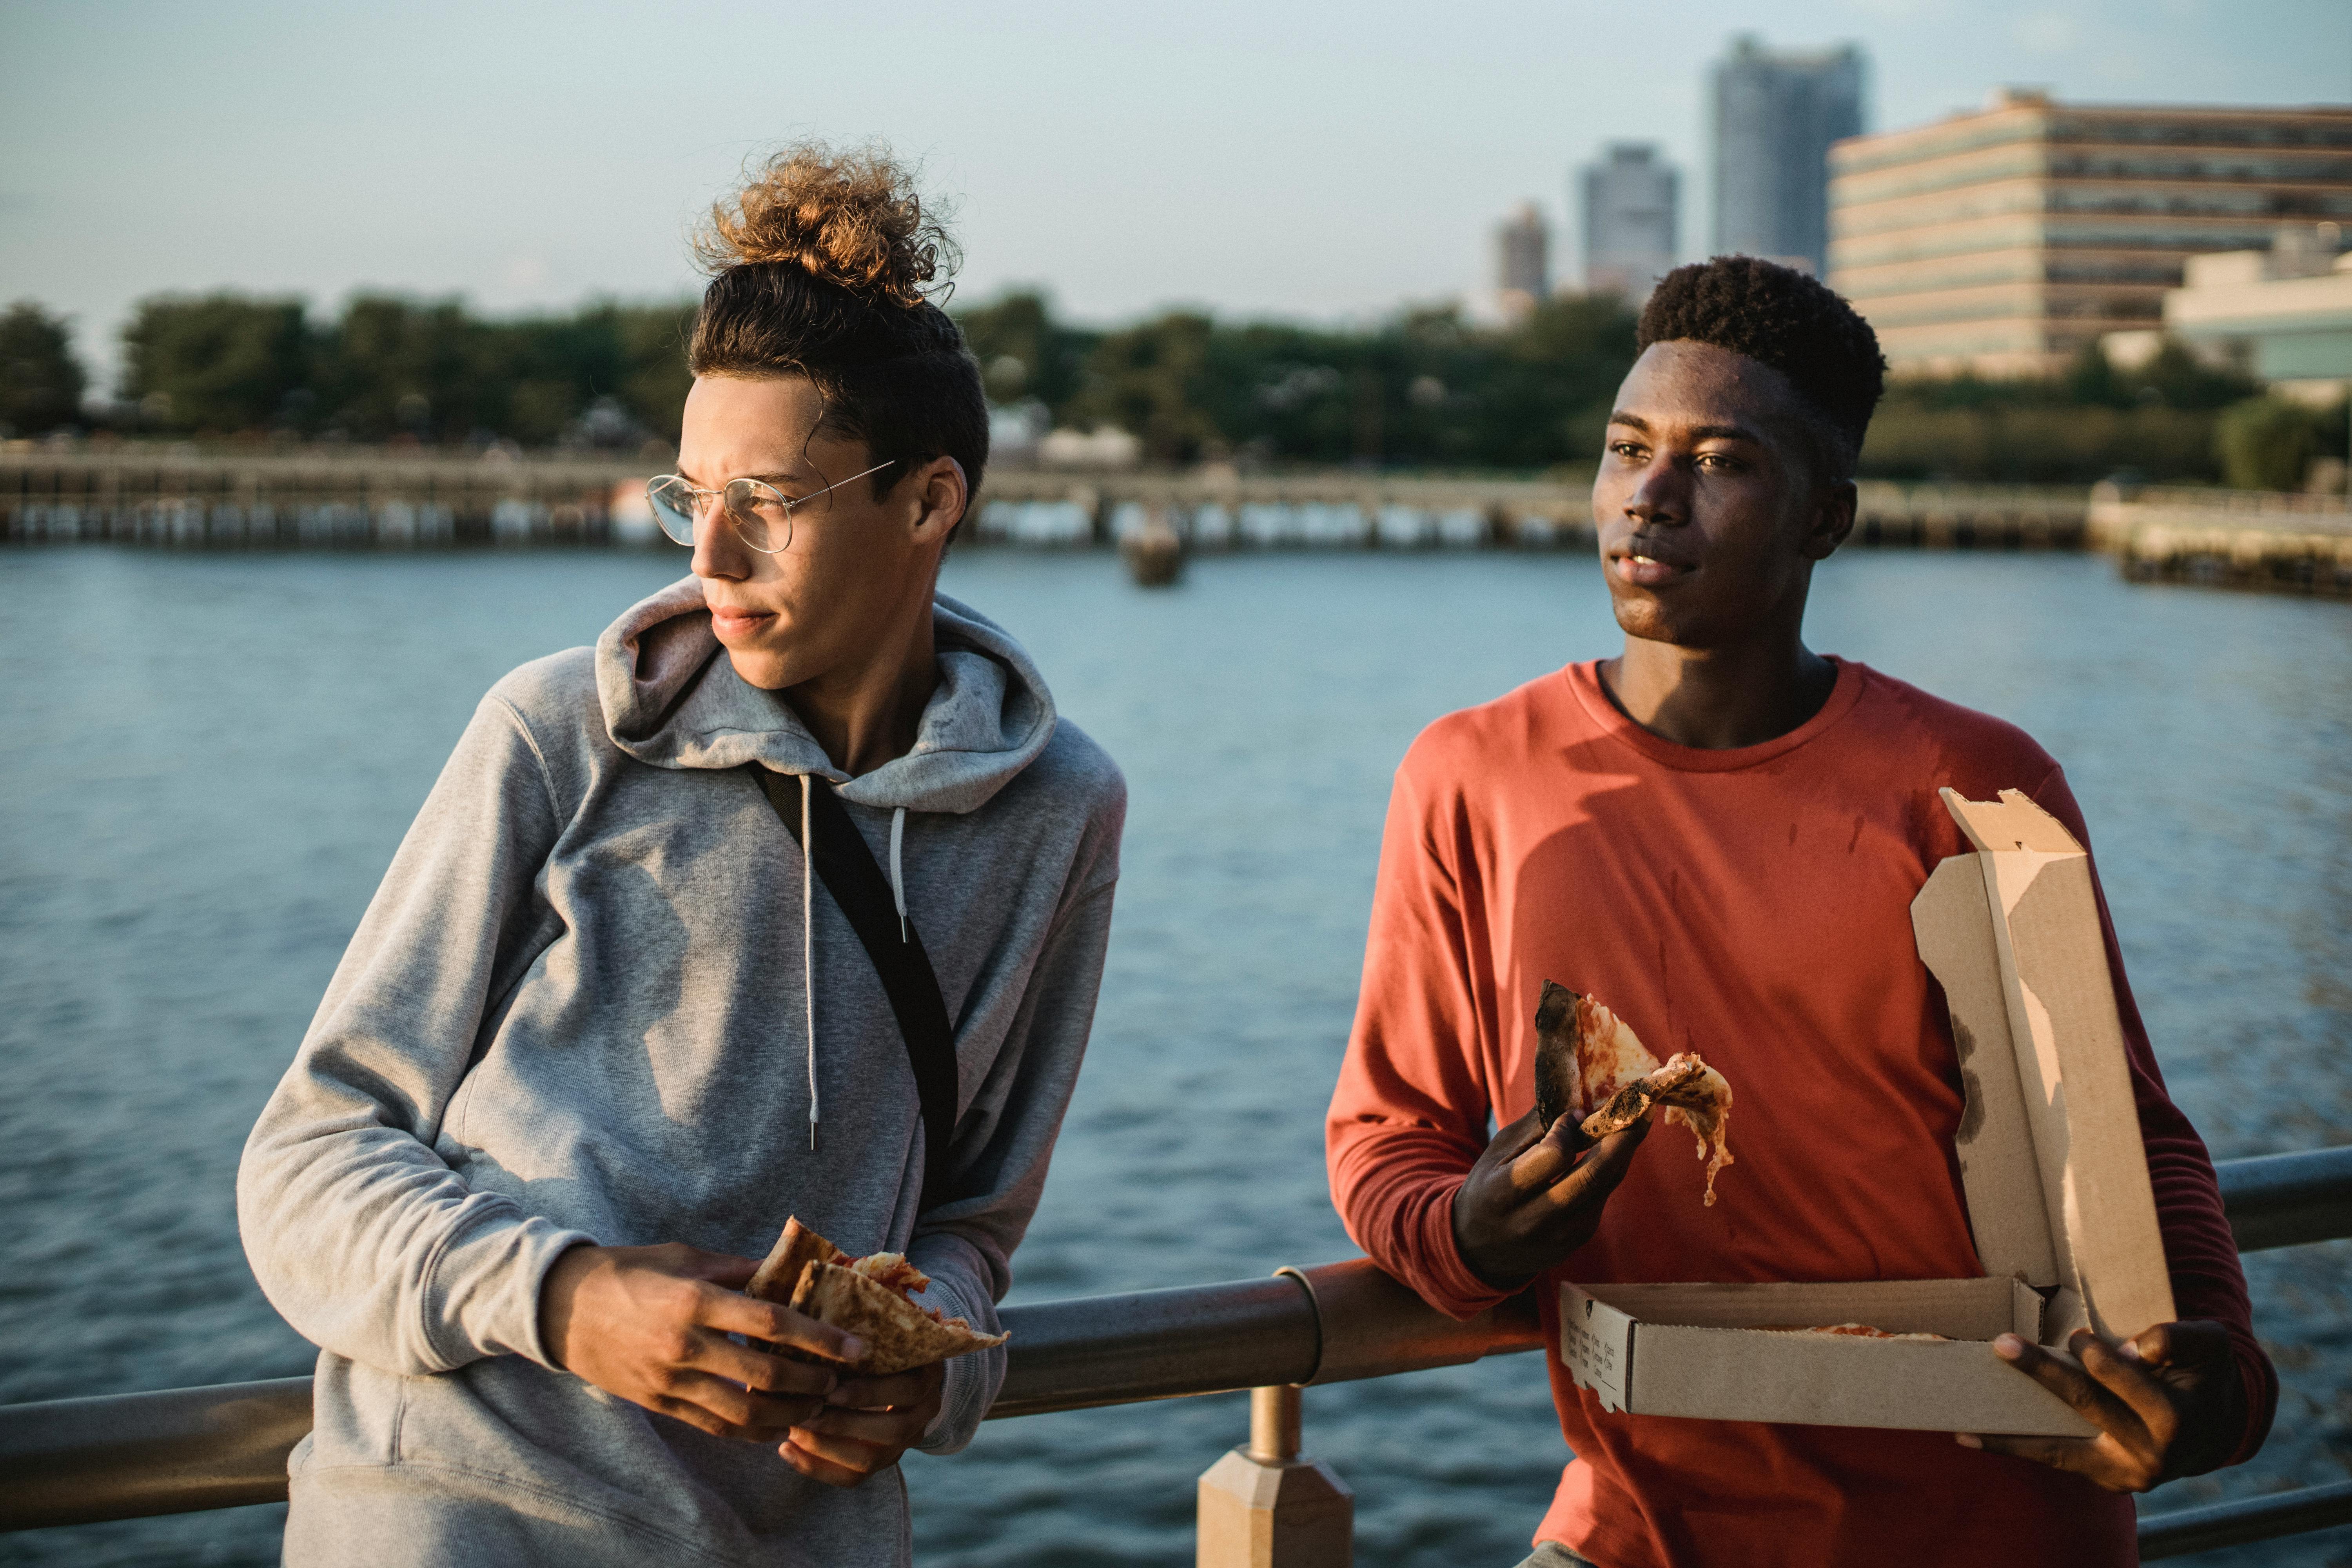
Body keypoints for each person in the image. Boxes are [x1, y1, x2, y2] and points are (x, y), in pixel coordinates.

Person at [238, 144, 1126, 1566]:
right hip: (458, 1521)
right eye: (686, 496)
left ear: (929, 502)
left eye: (766, 502)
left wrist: (928, 1379)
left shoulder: (1060, 810)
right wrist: (568, 1297)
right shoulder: (560, 734)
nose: (709, 555)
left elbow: (971, 1235)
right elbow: (306, 1163)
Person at [1325, 256, 2274, 1568]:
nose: (1650, 497)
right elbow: (1388, 1139)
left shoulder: (1973, 782)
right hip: (1635, 1522)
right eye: (1625, 448)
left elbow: (2132, 1134)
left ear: (1827, 517)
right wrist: (1470, 1236)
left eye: (1720, 462)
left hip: (1989, 1519)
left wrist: (2222, 1383)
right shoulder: (1471, 774)